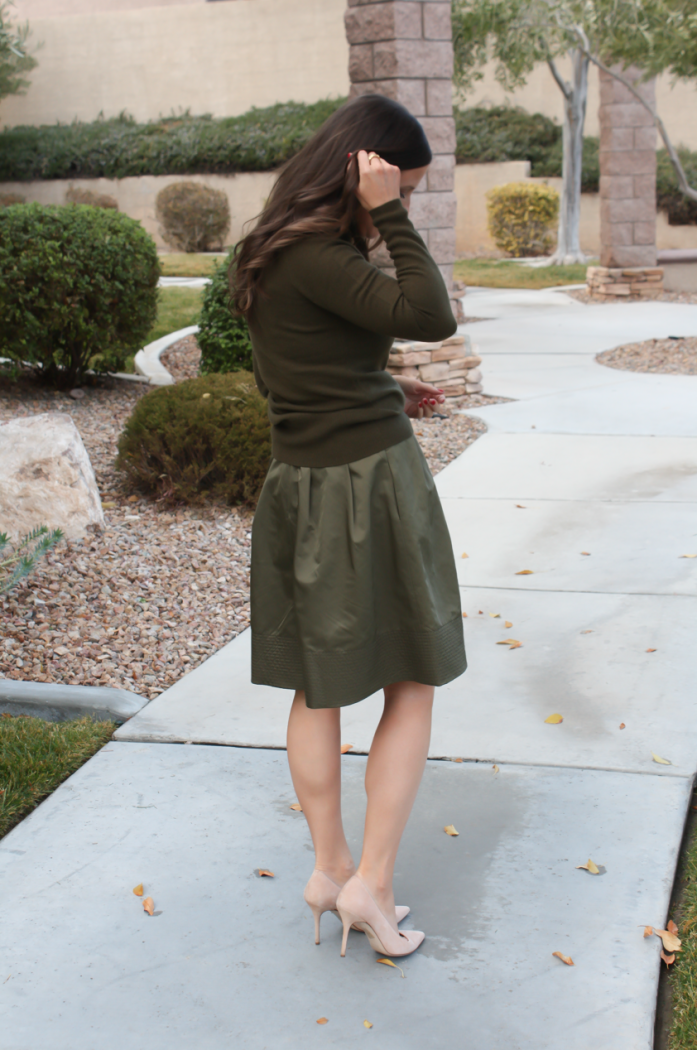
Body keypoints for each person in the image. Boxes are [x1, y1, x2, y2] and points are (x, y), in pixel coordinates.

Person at [232, 94, 467, 959]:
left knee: (317, 685)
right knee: (412, 676)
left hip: (300, 485)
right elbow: (429, 315)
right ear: (364, 169)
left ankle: (330, 868)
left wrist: (386, 386)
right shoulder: (321, 251)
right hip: (366, 489)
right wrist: (392, 214)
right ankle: (371, 882)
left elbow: (293, 368)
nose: (394, 199)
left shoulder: (269, 250)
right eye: (395, 180)